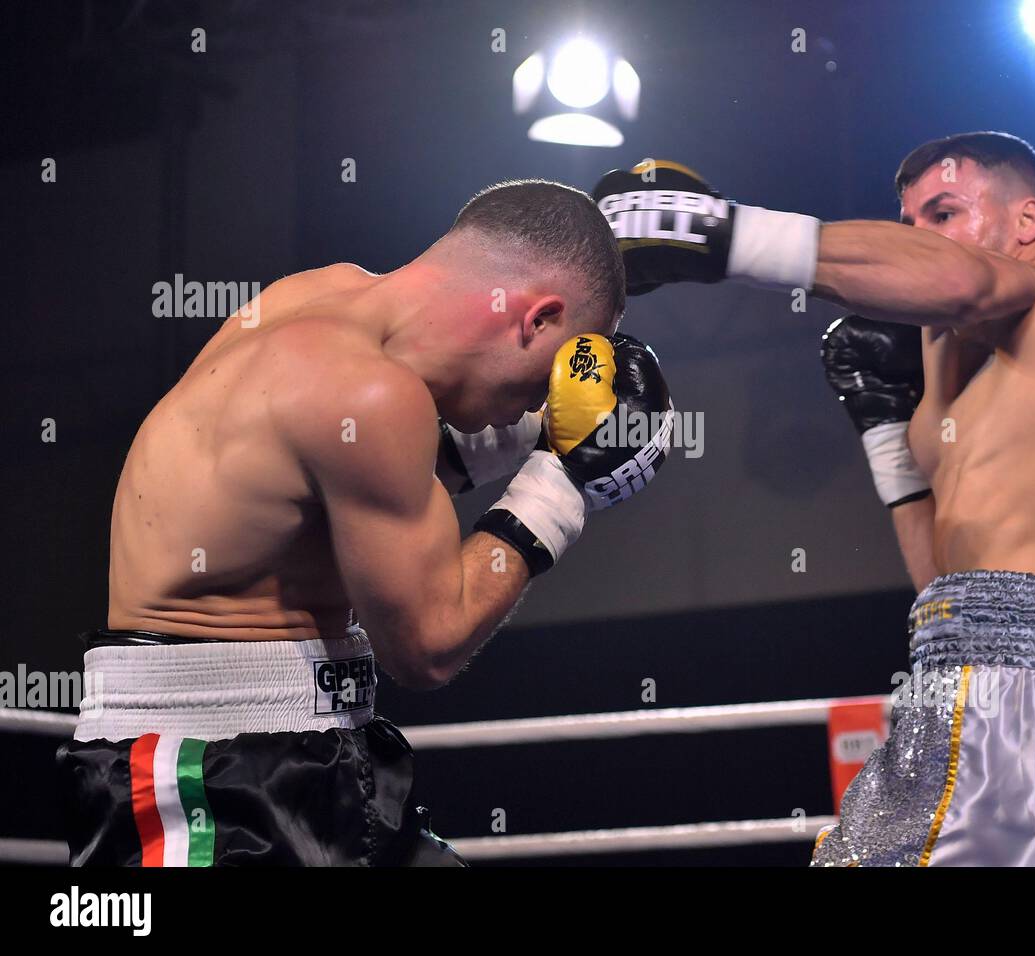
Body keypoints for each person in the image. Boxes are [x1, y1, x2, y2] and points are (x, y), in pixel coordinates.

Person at [593, 136, 1035, 866]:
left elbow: (966, 281)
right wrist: (889, 437)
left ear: (1028, 221)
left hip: (1007, 696)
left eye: (944, 212)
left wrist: (721, 234)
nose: (920, 241)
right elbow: (950, 594)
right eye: (908, 224)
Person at [57, 179, 673, 866]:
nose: (542, 402)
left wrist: (539, 441)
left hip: (317, 751)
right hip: (207, 776)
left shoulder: (320, 300)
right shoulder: (371, 394)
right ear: (536, 318)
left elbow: (352, 484)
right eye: (548, 382)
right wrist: (561, 483)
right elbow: (427, 646)